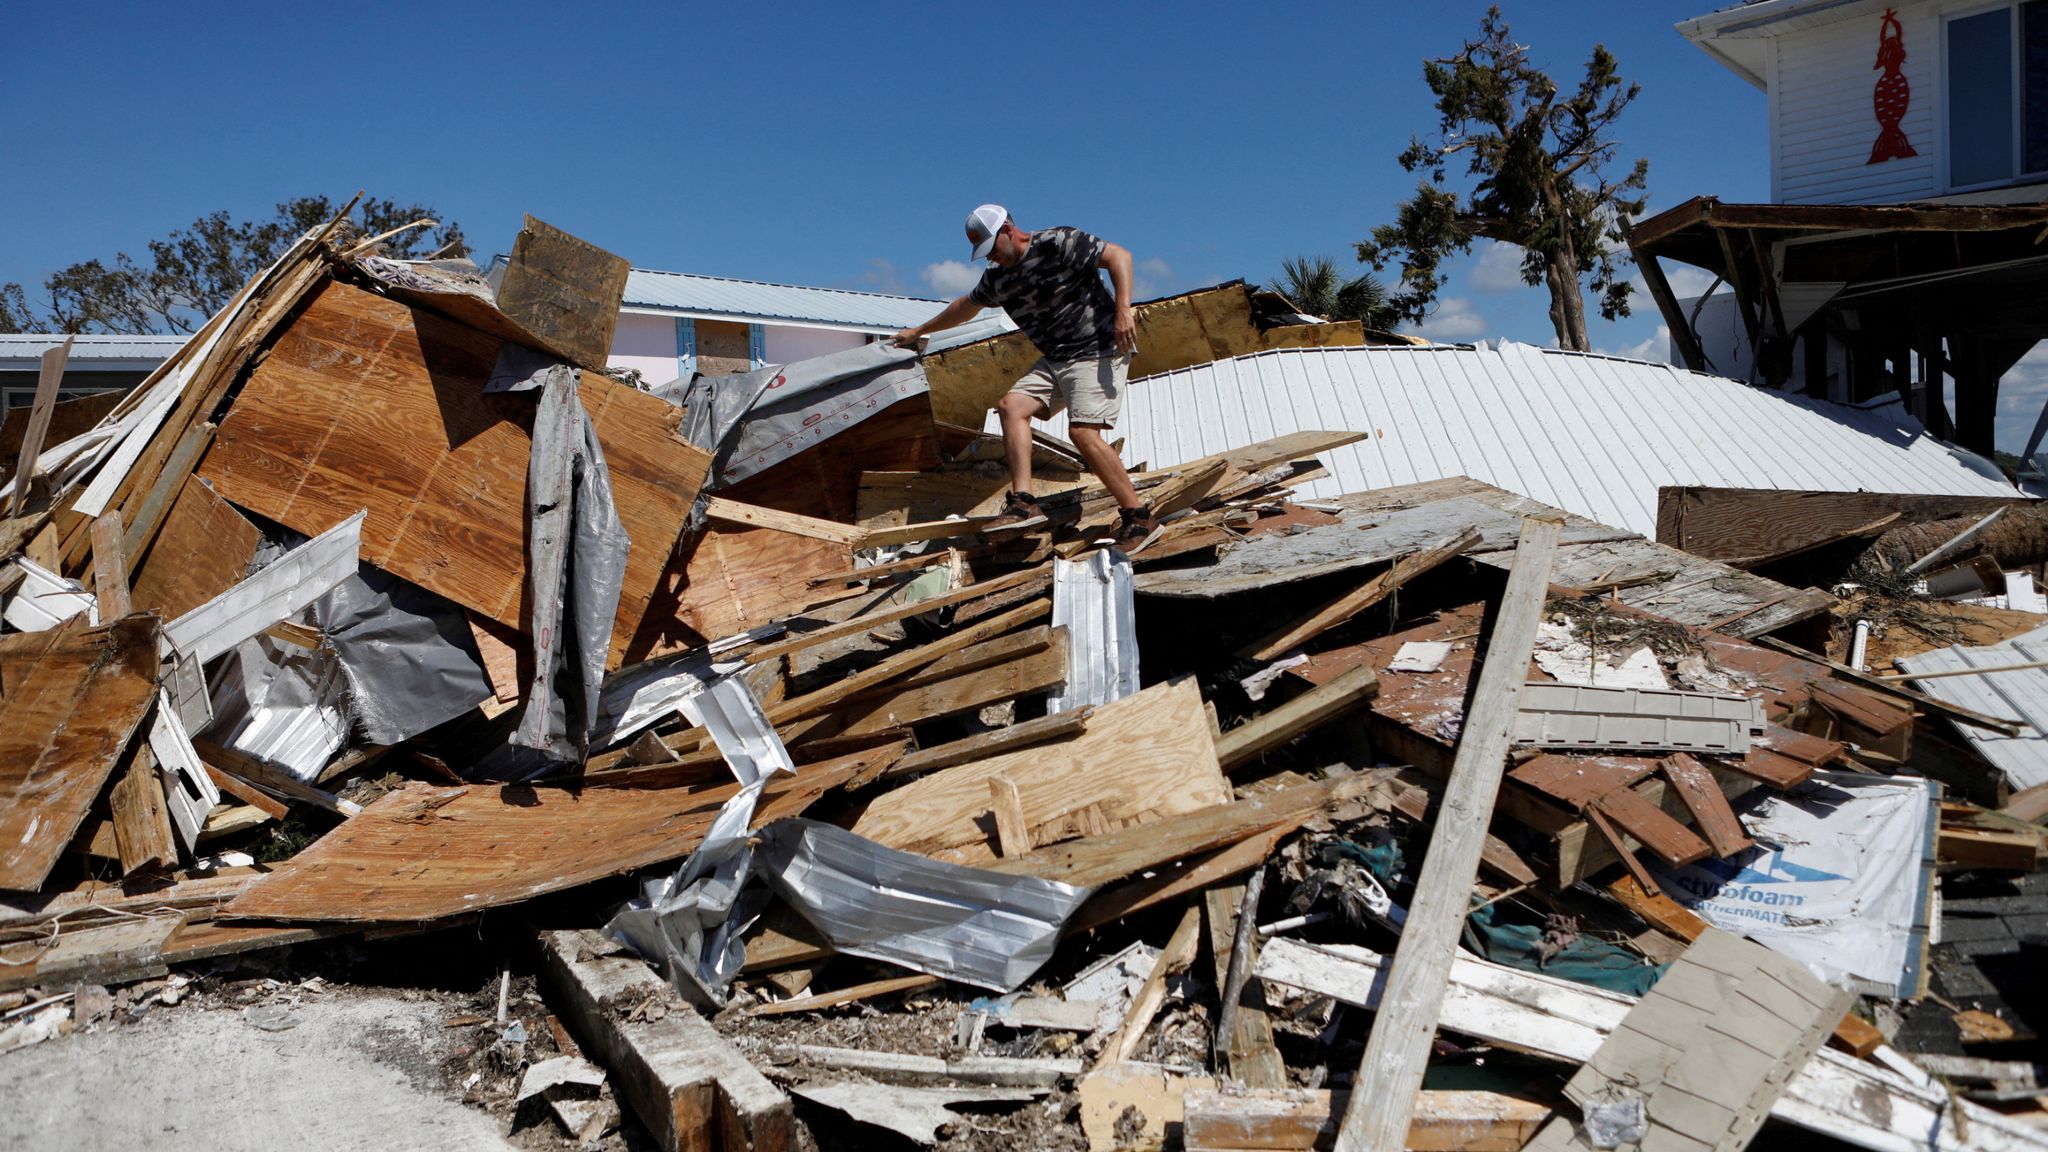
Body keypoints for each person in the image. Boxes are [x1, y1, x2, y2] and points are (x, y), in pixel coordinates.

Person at [893, 204, 1158, 546]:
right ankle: (1023, 503)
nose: (992, 258)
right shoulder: (998, 277)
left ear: (1007, 231)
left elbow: (1120, 256)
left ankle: (1138, 517)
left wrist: (1124, 310)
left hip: (1099, 347)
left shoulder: (1058, 242)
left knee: (1082, 433)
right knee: (1011, 406)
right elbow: (966, 306)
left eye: (993, 249)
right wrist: (919, 331)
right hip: (1057, 357)